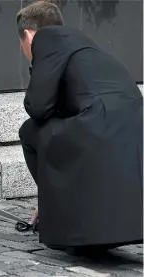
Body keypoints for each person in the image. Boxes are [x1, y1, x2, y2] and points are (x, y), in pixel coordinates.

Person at [17, 1, 143, 254]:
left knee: (29, 131)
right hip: (135, 124)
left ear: (29, 35)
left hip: (97, 123)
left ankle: (55, 208)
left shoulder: (47, 42)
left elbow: (39, 107)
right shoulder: (84, 44)